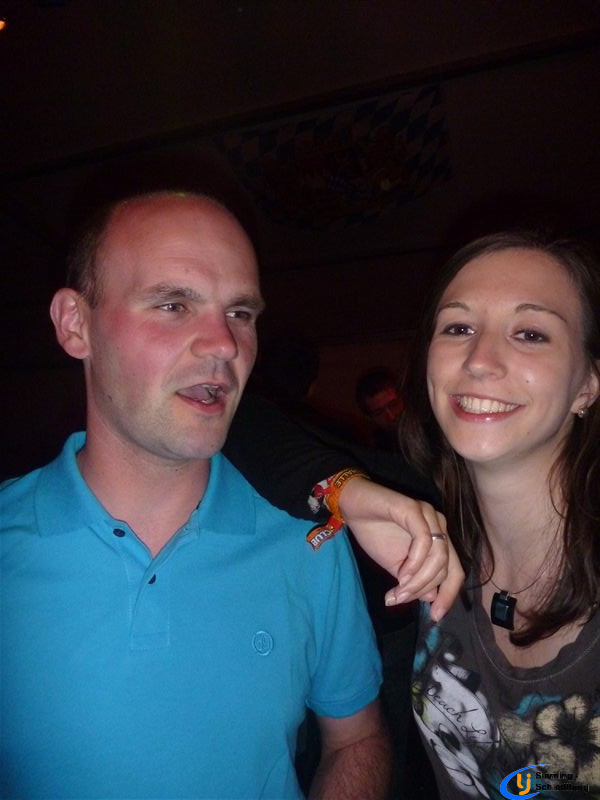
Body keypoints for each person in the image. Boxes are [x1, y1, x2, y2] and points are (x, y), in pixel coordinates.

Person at [0, 190, 455, 800]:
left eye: (240, 313)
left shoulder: (309, 541)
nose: (224, 343)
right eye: (173, 304)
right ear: (74, 324)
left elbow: (356, 740)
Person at [401, 232, 600, 798]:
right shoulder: (426, 549)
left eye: (530, 333)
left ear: (587, 385)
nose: (479, 360)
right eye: (458, 328)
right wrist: (347, 492)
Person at [355, 368, 405, 451]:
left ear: (404, 398)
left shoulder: (426, 424)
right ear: (371, 417)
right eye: (379, 413)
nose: (391, 417)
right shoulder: (376, 450)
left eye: (393, 405)